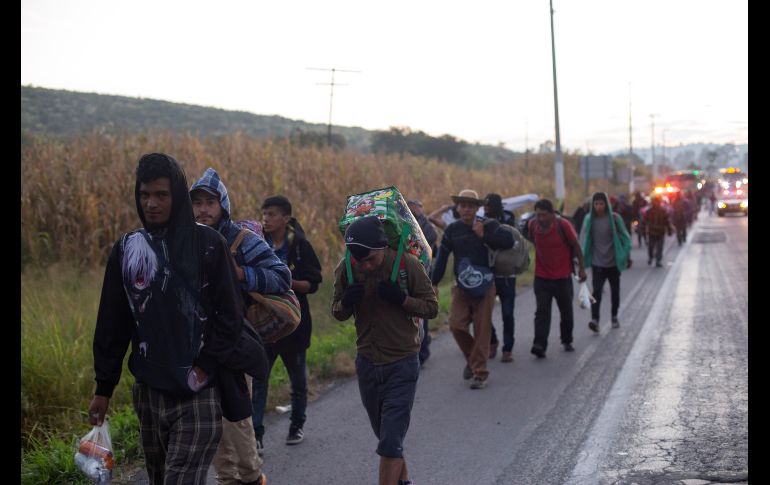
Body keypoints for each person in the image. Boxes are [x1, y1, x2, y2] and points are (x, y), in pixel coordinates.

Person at [88, 153, 251, 484]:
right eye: (144, 194)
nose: (151, 204)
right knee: (160, 478)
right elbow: (112, 323)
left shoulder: (208, 244)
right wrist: (103, 388)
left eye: (161, 195)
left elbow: (230, 316)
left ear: (176, 195)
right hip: (149, 393)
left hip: (198, 392)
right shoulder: (128, 249)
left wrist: (204, 365)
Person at [190, 167, 292, 485]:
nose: (203, 209)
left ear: (223, 205)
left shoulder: (241, 240)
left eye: (210, 202)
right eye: (197, 203)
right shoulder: (186, 240)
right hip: (198, 343)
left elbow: (281, 276)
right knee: (210, 416)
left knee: (236, 415)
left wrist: (241, 274)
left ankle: (251, 476)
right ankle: (227, 478)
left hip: (233, 339)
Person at [331, 216, 438, 485]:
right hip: (367, 364)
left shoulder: (407, 265)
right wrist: (346, 302)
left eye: (370, 259)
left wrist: (402, 299)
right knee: (386, 435)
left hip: (402, 363)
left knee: (390, 441)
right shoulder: (347, 268)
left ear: (381, 247)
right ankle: (404, 480)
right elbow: (337, 311)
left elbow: (431, 307)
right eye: (360, 260)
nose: (365, 265)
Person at [252, 195, 323, 453]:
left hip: (294, 325)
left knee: (298, 382)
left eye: (271, 214)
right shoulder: (256, 243)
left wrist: (283, 280)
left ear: (286, 218)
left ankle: (296, 425)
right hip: (264, 325)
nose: (266, 219)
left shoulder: (300, 246)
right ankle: (256, 434)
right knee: (259, 380)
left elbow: (312, 283)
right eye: (264, 214)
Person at [430, 189, 514, 388]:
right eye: (463, 205)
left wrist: (484, 236)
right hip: (461, 287)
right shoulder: (452, 230)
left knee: (482, 330)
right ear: (458, 208)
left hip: (486, 287)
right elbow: (441, 259)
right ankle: (474, 360)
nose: (466, 209)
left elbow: (508, 242)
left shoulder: (489, 225)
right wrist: (434, 282)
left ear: (477, 208)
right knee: (456, 325)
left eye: (470, 206)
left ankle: (480, 374)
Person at [526, 198, 587, 358]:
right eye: (538, 215)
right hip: (542, 278)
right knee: (542, 312)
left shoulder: (563, 225)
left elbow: (576, 246)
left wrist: (581, 268)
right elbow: (532, 241)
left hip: (563, 278)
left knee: (566, 311)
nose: (540, 219)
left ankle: (567, 340)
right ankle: (539, 344)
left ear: (552, 214)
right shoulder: (532, 225)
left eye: (544, 215)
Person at [579, 192, 632, 332]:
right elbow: (583, 238)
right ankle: (595, 319)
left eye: (601, 204)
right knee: (596, 292)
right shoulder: (589, 219)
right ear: (593, 205)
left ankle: (614, 316)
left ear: (606, 204)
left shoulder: (614, 219)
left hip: (613, 263)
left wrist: (624, 254)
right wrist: (580, 257)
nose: (599, 207)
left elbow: (626, 238)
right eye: (596, 204)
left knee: (615, 292)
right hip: (597, 263)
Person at [483, 193, 517, 362]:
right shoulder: (481, 221)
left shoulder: (508, 218)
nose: (486, 208)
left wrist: (485, 237)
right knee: (483, 313)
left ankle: (508, 349)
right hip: (488, 274)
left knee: (507, 312)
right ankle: (492, 340)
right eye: (485, 205)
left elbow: (508, 241)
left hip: (507, 274)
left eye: (489, 205)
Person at [407, 198, 438, 366]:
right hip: (406, 274)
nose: (413, 211)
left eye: (416, 209)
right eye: (410, 209)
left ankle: (422, 352)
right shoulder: (401, 225)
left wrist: (420, 218)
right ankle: (415, 349)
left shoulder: (426, 225)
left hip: (423, 274)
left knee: (421, 313)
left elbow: (430, 238)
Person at [643, 195, 674, 267]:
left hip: (660, 232)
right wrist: (642, 230)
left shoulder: (663, 211)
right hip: (651, 232)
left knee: (660, 247)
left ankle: (658, 260)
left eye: (657, 202)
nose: (656, 203)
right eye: (654, 202)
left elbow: (667, 221)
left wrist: (669, 230)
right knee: (651, 246)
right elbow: (644, 222)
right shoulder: (649, 212)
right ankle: (651, 257)